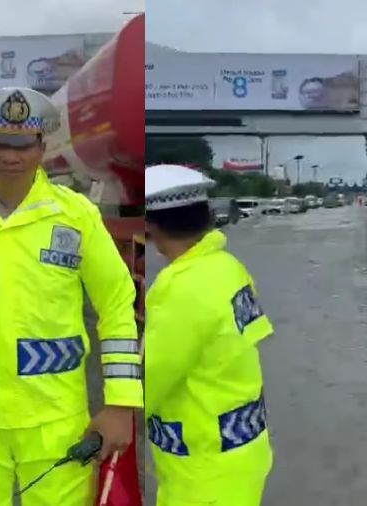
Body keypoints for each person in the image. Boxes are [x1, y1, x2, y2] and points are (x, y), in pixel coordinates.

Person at [0, 86, 142, 506]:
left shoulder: (76, 215)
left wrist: (121, 403)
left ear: (41, 148)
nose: (10, 157)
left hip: (55, 421)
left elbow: (117, 304)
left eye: (22, 145)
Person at [143, 164, 275, 506]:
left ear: (151, 226)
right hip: (240, 454)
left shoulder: (179, 287)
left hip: (202, 470)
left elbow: (148, 383)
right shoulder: (228, 267)